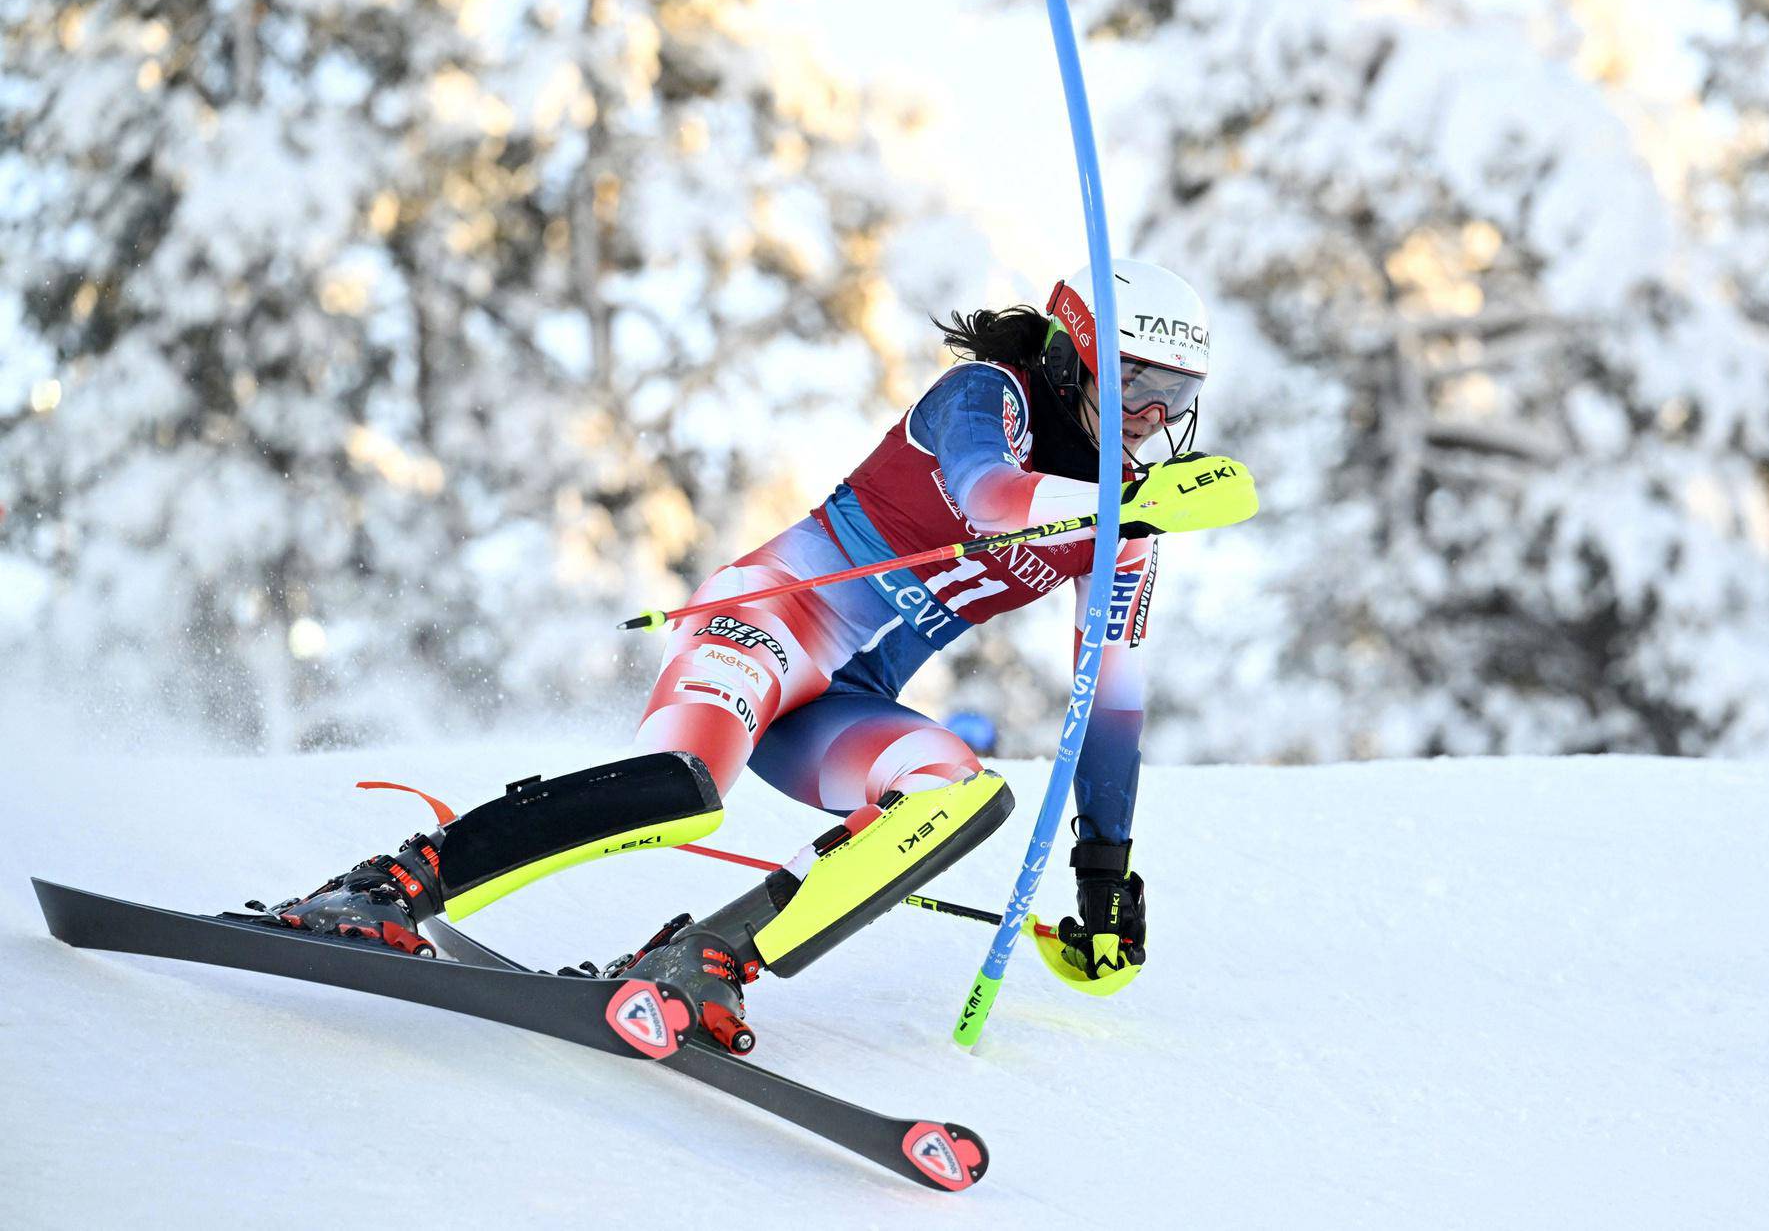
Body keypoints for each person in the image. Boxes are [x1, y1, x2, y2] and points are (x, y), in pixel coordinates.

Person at [262, 259, 1255, 1052]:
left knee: (959, 791)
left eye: (1177, 397)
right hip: (769, 621)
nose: (1152, 418)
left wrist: (1102, 869)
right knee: (684, 786)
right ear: (1082, 358)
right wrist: (1129, 505)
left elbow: (1111, 702)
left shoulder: (1125, 520)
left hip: (838, 703)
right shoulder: (986, 396)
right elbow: (988, 498)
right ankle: (392, 885)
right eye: (1142, 386)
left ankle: (709, 955)